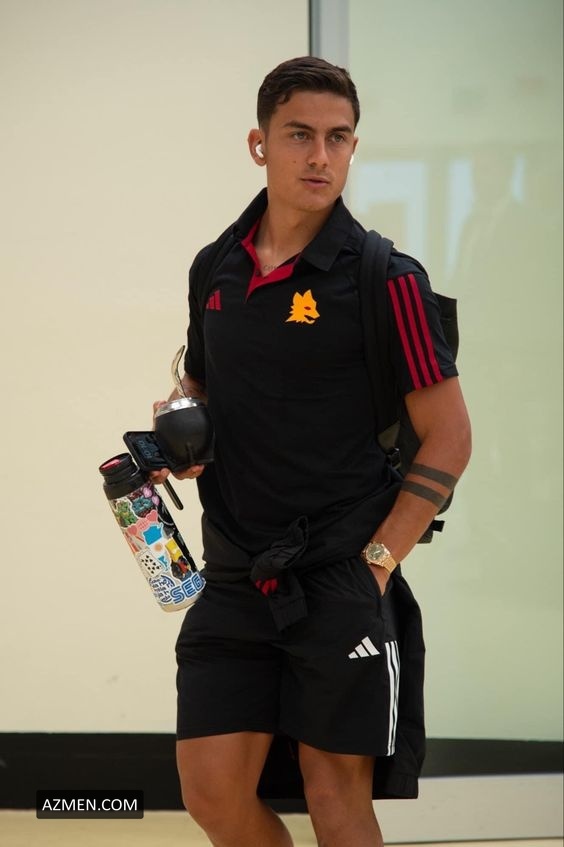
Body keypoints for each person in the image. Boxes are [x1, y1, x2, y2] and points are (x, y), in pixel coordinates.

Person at [152, 56, 471, 847]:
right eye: (300, 135)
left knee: (336, 798)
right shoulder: (215, 268)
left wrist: (376, 564)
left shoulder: (385, 278)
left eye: (338, 137)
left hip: (338, 576)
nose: (321, 156)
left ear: (353, 147)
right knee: (212, 792)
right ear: (259, 144)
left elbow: (450, 435)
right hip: (234, 575)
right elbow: (203, 381)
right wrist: (182, 424)